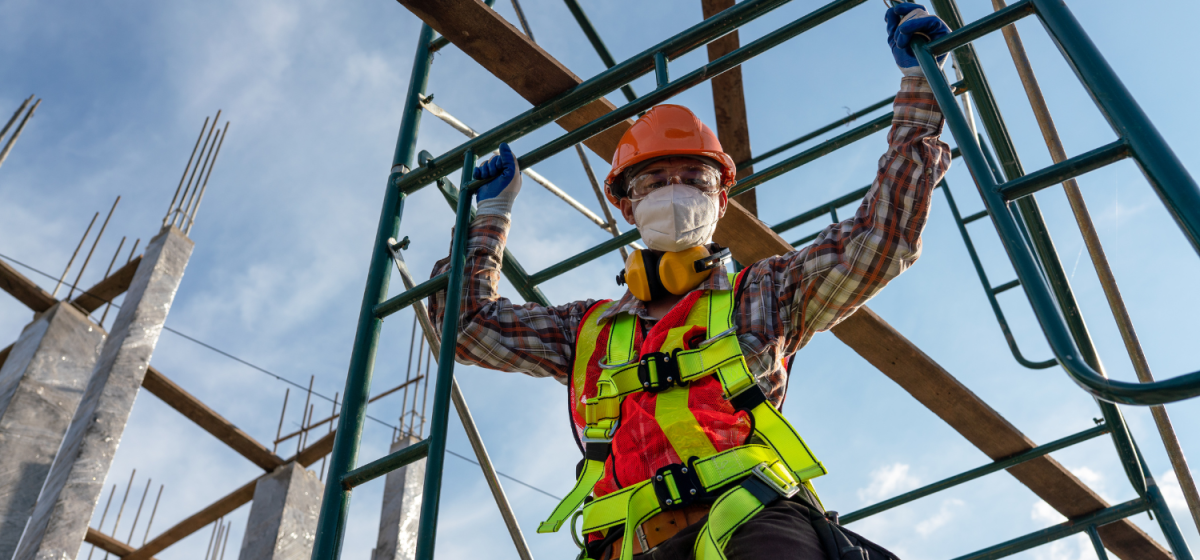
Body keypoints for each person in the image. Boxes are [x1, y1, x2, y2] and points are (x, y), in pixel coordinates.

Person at [428, 4, 952, 559]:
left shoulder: (765, 295)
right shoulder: (585, 330)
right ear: (628, 206)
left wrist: (920, 91)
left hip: (753, 525)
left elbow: (879, 241)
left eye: (694, 179)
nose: (674, 190)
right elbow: (467, 328)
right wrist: (489, 219)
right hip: (627, 546)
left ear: (721, 202)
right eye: (654, 179)